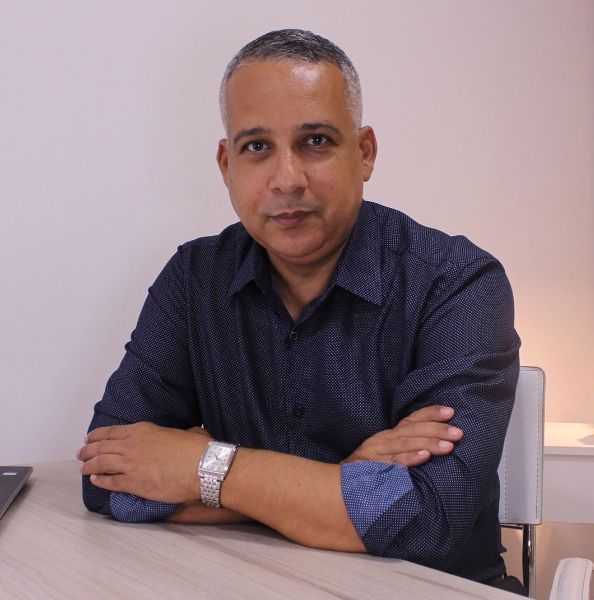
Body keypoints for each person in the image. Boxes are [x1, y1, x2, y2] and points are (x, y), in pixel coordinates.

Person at [78, 29, 522, 591]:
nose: (287, 179)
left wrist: (201, 467)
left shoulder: (458, 282)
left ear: (364, 152)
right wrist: (342, 482)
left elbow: (429, 521)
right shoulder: (193, 278)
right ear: (226, 164)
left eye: (315, 141)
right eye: (257, 147)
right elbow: (106, 479)